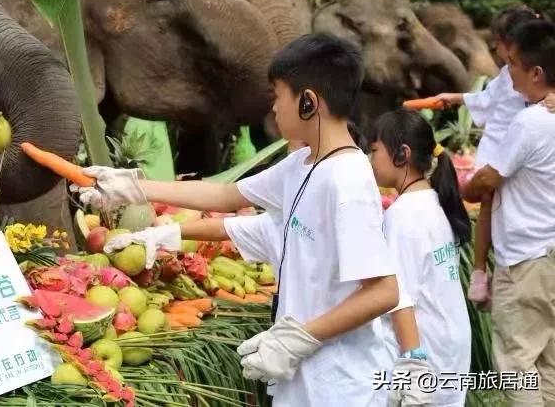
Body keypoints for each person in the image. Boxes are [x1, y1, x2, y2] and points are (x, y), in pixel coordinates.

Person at [75, 34, 404, 406]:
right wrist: (133, 187)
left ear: (309, 102)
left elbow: (383, 291)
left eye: (278, 96)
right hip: (303, 377)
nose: (275, 110)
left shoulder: (348, 181)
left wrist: (300, 338)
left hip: (342, 384)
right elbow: (225, 196)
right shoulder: (301, 165)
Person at [435, 5, 555, 306]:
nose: (500, 55)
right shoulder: (509, 76)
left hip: (519, 154)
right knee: (491, 203)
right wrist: (457, 98)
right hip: (503, 148)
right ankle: (479, 271)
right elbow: (487, 99)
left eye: (500, 46)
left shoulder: (536, 108)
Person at [462, 19, 555, 406]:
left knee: (518, 368)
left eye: (513, 63)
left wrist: (461, 186)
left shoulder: (531, 122)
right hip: (549, 255)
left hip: (526, 262)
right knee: (549, 365)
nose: (507, 71)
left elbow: (485, 181)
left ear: (535, 72)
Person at [370, 109, 472, 407]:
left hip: (424, 349)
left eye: (375, 150)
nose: (371, 160)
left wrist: (414, 361)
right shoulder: (434, 203)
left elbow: (399, 298)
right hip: (450, 343)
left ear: (402, 154)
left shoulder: (402, 216)